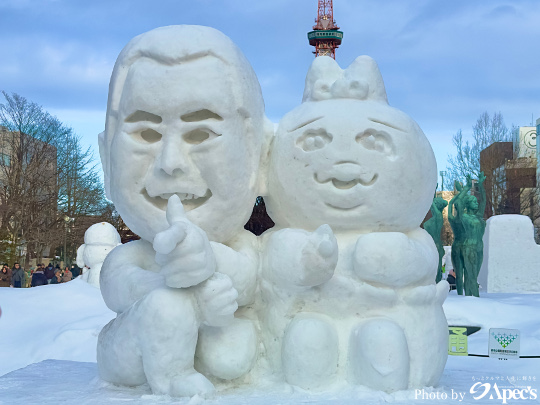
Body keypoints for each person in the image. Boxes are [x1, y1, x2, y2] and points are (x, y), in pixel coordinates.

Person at [96, 25, 269, 397]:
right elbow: (119, 286)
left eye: (201, 133)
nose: (170, 163)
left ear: (259, 157)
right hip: (130, 353)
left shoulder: (250, 250)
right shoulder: (131, 257)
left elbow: (249, 277)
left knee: (230, 346)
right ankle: (173, 375)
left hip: (232, 341)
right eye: (145, 134)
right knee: (166, 304)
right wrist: (172, 283)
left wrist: (209, 263)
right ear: (106, 162)